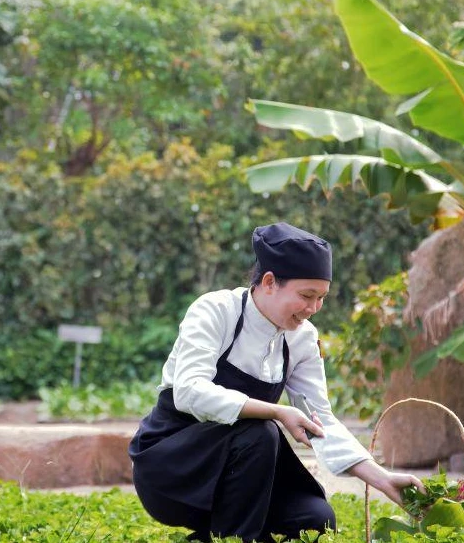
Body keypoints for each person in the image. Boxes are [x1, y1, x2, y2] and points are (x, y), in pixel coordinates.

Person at [129, 222, 425, 542]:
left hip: (238, 478)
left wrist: (381, 479)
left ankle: (215, 534)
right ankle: (236, 536)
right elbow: (189, 391)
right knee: (260, 432)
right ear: (269, 282)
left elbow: (319, 419)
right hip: (173, 469)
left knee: (315, 519)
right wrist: (277, 412)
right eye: (306, 295)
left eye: (321, 297)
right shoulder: (215, 310)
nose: (313, 309)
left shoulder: (302, 339)